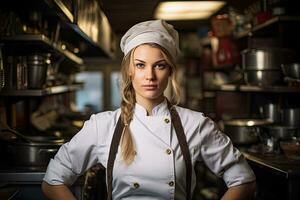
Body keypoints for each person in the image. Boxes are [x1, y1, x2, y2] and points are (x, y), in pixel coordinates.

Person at [42, 19, 256, 200]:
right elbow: (53, 180)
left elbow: (244, 180)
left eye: (160, 65)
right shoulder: (102, 125)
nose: (150, 76)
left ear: (170, 71)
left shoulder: (195, 124)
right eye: (141, 65)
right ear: (129, 71)